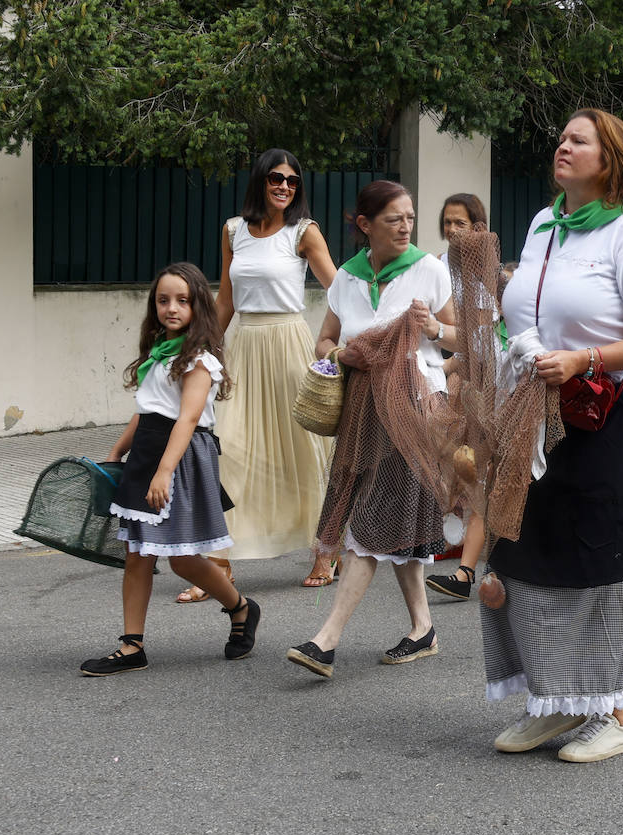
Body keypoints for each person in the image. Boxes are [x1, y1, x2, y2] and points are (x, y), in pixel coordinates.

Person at [481, 108, 623, 764]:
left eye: (578, 140)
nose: (562, 146)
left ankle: (617, 712)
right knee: (528, 553)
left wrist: (584, 360)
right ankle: (557, 701)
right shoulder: (544, 223)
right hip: (537, 412)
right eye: (560, 137)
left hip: (609, 413)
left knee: (599, 559)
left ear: (611, 157)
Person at [285, 180, 458, 678]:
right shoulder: (346, 277)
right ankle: (422, 627)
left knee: (369, 515)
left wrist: (434, 331)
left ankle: (326, 638)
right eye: (394, 219)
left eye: (409, 216)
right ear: (365, 225)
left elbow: (462, 337)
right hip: (363, 410)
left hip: (414, 408)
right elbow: (325, 340)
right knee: (390, 518)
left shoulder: (428, 270)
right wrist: (336, 355)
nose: (406, 226)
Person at [81, 263, 259, 675]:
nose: (171, 308)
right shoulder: (158, 353)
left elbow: (186, 419)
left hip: (179, 458)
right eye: (163, 300)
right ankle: (131, 646)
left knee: (181, 559)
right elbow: (147, 412)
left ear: (198, 305)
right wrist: (116, 452)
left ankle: (241, 608)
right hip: (147, 453)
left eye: (182, 300)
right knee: (137, 554)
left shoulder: (199, 359)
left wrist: (164, 472)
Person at [179, 149, 339, 603]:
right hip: (244, 345)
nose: (284, 186)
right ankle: (218, 564)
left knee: (306, 448)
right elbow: (225, 299)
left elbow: (341, 291)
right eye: (276, 178)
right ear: (260, 181)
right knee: (227, 448)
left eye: (292, 180)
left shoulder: (304, 232)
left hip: (288, 343)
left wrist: (335, 342)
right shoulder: (233, 230)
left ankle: (325, 550)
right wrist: (203, 347)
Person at [427, 260, 517, 602]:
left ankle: (506, 569)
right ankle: (465, 575)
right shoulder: (486, 336)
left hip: (523, 432)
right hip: (490, 427)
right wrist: (429, 372)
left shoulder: (530, 335)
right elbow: (457, 362)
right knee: (482, 496)